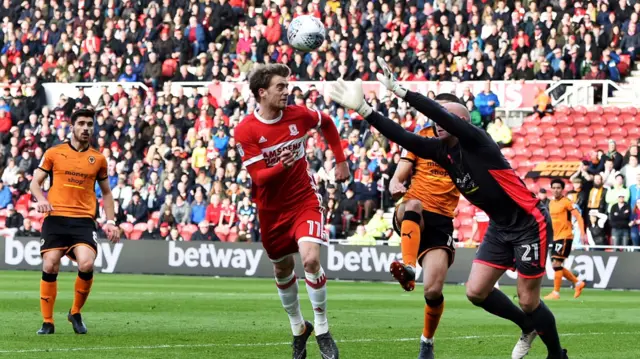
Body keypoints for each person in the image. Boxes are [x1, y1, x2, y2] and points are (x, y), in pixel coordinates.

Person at [329, 57, 568, 359]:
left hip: (528, 222)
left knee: (528, 300)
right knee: (475, 292)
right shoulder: (443, 152)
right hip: (499, 226)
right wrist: (365, 110)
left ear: (462, 123)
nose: (437, 124)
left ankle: (556, 354)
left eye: (444, 119)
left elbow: (436, 111)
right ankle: (527, 327)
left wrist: (402, 91)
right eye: (436, 121)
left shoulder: (478, 141)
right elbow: (403, 137)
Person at [234, 64, 349, 359]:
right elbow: (259, 177)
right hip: (271, 210)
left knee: (310, 259)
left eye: (288, 86)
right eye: (280, 87)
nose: (287, 91)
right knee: (282, 268)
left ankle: (322, 329)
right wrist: (281, 165)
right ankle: (299, 327)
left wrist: (340, 160)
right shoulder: (246, 130)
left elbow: (327, 123)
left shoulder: (299, 115)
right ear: (262, 93)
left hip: (303, 200)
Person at [29, 108, 120, 335]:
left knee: (87, 263)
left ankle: (75, 312)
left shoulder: (98, 159)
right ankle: (48, 322)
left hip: (83, 220)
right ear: (72, 127)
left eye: (90, 124)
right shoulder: (53, 153)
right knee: (49, 264)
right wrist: (41, 199)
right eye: (82, 124)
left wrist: (111, 221)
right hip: (56, 217)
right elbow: (34, 183)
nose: (86, 128)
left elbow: (107, 193)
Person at [387, 95, 461, 358]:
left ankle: (427, 341)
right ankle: (408, 266)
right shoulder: (421, 137)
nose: (437, 116)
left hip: (442, 220)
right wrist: (396, 182)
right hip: (412, 211)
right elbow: (404, 166)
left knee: (433, 289)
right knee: (414, 205)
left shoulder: (467, 143)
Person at [544, 179, 587, 300]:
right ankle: (578, 283)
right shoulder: (551, 203)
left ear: (562, 189)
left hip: (565, 236)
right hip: (556, 237)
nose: (556, 190)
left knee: (556, 263)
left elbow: (579, 217)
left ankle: (556, 293)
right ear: (551, 189)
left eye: (558, 188)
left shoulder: (567, 202)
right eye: (554, 187)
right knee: (556, 265)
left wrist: (583, 233)